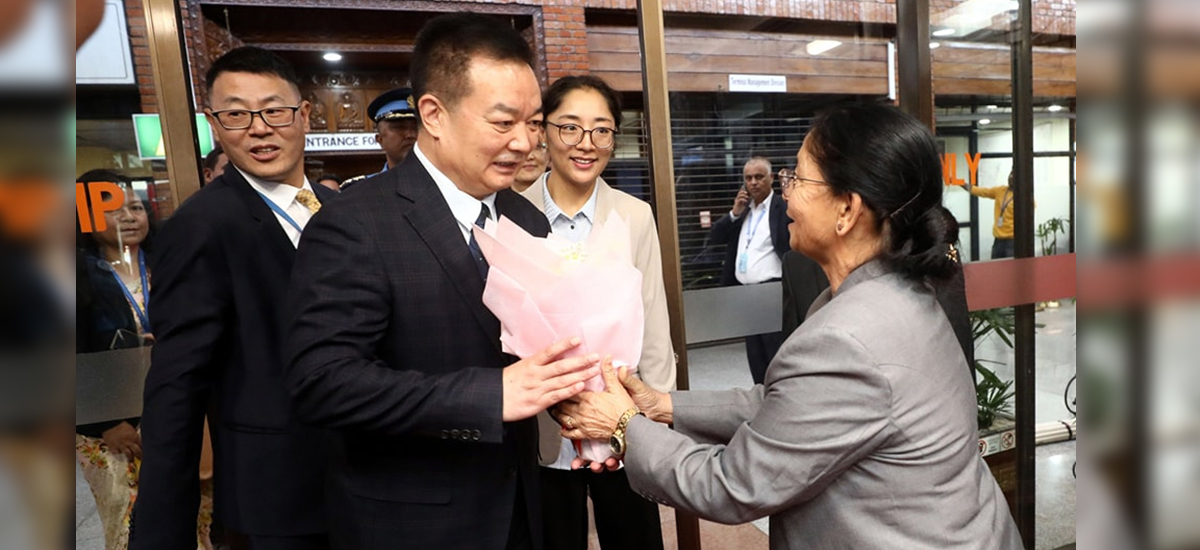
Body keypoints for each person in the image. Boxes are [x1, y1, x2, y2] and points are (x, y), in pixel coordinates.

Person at [559, 103, 1022, 550]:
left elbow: (733, 485)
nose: (785, 191)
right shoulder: (888, 292)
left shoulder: (848, 337)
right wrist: (660, 405)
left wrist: (623, 423)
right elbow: (783, 405)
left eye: (797, 177)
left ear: (847, 210)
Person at [282, 14, 600, 550]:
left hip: (521, 506)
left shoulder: (524, 219)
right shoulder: (356, 221)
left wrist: (581, 406)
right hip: (413, 523)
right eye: (503, 123)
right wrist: (488, 395)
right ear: (433, 113)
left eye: (534, 122)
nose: (524, 143)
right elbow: (322, 382)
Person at [130, 46, 337, 550]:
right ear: (214, 125)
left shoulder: (339, 210)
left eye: (274, 110)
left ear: (304, 115)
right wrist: (162, 529)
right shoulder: (199, 227)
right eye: (236, 114)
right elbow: (177, 383)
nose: (259, 128)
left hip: (369, 481)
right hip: (276, 496)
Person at [519, 75, 671, 550]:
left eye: (602, 130)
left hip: (622, 421)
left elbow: (654, 322)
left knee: (635, 538)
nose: (587, 144)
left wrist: (653, 421)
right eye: (570, 128)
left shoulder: (634, 216)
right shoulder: (512, 214)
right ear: (543, 131)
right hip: (544, 426)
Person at [705, 156, 791, 384]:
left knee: (775, 353)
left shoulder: (782, 207)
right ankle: (761, 400)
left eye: (759, 177)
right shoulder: (743, 211)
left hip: (770, 291)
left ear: (771, 178)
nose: (753, 182)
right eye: (748, 178)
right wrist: (734, 213)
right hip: (745, 293)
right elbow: (715, 237)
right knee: (755, 355)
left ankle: (780, 399)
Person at [340, 87, 419, 190]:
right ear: (380, 139)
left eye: (417, 128)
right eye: (399, 127)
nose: (410, 135)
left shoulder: (444, 183)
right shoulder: (360, 190)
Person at [967, 170, 1020, 259]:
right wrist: (959, 182)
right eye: (1010, 174)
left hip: (1012, 241)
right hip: (998, 240)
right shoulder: (1000, 190)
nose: (1011, 177)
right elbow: (979, 191)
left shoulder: (1022, 195)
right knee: (996, 268)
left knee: (1011, 269)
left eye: (1014, 176)